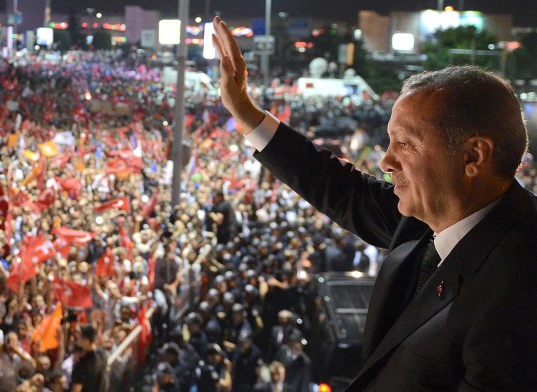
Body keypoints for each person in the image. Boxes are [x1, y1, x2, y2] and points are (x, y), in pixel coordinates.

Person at [212, 15, 537, 391]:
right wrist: (246, 113)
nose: (386, 161)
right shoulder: (435, 216)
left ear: (474, 156)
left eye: (405, 143)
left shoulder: (521, 290)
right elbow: (341, 188)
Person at [69, 325, 106, 392]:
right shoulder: (102, 354)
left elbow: (76, 389)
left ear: (86, 340)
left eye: (79, 337)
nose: (77, 339)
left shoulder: (82, 365)